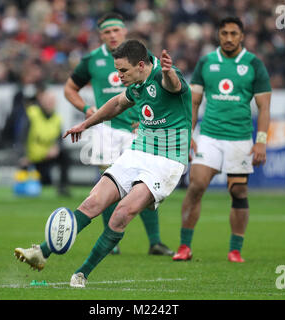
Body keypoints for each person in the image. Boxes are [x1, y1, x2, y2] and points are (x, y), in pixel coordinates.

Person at [15, 40, 192, 288]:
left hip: (167, 161)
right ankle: (42, 252)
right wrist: (85, 124)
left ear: (141, 65)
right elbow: (117, 104)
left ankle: (82, 273)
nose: (118, 75)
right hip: (139, 150)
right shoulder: (137, 84)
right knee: (92, 202)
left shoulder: (166, 78)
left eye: (123, 71)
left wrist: (169, 71)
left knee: (121, 214)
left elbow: (172, 85)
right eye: (117, 70)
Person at [63, 12, 173, 256]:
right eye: (107, 32)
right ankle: (111, 243)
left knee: (145, 185)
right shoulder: (92, 60)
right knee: (109, 184)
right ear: (100, 35)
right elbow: (69, 88)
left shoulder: (141, 58)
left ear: (124, 31)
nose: (112, 35)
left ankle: (155, 241)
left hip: (139, 129)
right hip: (107, 131)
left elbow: (160, 90)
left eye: (116, 31)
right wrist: (86, 109)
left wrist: (150, 119)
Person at [172, 17, 271, 263]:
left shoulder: (254, 64)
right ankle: (184, 246)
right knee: (196, 185)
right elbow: (193, 102)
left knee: (238, 190)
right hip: (210, 136)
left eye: (233, 33)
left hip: (239, 138)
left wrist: (261, 141)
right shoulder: (206, 62)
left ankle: (235, 249)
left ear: (242, 36)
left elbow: (264, 107)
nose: (228, 38)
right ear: (218, 34)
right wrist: (188, 135)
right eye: (224, 33)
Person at [17, 86, 71, 196]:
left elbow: (61, 140)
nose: (50, 104)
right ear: (41, 101)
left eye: (52, 102)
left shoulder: (57, 118)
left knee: (65, 156)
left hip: (47, 156)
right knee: (34, 186)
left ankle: (63, 187)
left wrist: (56, 148)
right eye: (48, 101)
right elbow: (22, 136)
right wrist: (23, 155)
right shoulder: (32, 113)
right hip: (32, 157)